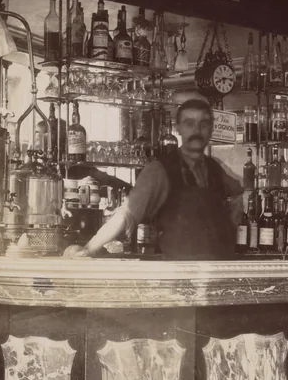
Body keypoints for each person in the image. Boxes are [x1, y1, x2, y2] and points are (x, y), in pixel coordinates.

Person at [65, 97, 243, 260]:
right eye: (189, 123)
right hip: (180, 275)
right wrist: (90, 248)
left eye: (203, 124)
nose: (197, 130)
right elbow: (127, 214)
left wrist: (229, 229)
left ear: (211, 128)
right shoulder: (159, 170)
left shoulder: (214, 167)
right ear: (178, 128)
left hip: (220, 269)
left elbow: (238, 193)